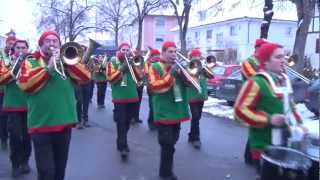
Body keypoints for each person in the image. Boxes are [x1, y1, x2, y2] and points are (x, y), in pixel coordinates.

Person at [16, 31, 91, 180]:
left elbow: (85, 77)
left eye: (55, 41)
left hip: (64, 124)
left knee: (59, 170)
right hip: (40, 125)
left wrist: (68, 63)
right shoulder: (31, 61)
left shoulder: (68, 62)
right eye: (48, 41)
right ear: (41, 44)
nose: (51, 44)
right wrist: (49, 68)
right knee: (46, 172)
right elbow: (26, 84)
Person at [234, 42, 305, 172]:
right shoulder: (256, 82)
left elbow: (290, 106)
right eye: (278, 57)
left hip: (285, 143)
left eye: (284, 56)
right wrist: (269, 120)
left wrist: (299, 124)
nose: (283, 60)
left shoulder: (283, 79)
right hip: (264, 147)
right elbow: (240, 112)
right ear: (265, 62)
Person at [148, 41, 190, 180]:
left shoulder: (177, 66)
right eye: (170, 51)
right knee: (167, 144)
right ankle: (165, 173)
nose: (173, 54)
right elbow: (155, 86)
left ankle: (166, 171)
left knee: (173, 142)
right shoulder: (154, 66)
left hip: (177, 111)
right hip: (164, 111)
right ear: (163, 52)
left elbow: (189, 83)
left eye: (175, 51)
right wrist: (170, 73)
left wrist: (185, 72)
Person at [0, 39, 32, 177]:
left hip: (29, 105)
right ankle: (15, 164)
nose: (20, 50)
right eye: (18, 47)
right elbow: (2, 79)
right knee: (14, 137)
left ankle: (25, 161)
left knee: (27, 137)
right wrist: (16, 66)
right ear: (13, 49)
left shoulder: (33, 63)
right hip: (12, 105)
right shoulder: (6, 62)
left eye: (23, 48)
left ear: (27, 49)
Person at [106, 42, 142, 161]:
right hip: (119, 97)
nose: (125, 52)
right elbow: (110, 79)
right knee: (121, 122)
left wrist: (133, 67)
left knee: (127, 122)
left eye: (127, 50)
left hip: (132, 96)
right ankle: (123, 146)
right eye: (123, 50)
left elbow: (139, 78)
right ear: (119, 50)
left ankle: (121, 140)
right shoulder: (113, 62)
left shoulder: (132, 62)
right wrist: (122, 68)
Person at [240, 38, 268, 164]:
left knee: (261, 128)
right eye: (263, 47)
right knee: (256, 128)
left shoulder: (265, 61)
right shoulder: (248, 62)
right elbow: (255, 78)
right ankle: (251, 158)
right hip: (251, 99)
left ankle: (254, 157)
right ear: (257, 48)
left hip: (263, 98)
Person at [186, 49, 214, 149]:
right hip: (192, 96)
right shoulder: (188, 66)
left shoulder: (202, 68)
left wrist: (208, 67)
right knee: (196, 116)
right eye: (195, 56)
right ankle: (196, 139)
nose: (197, 58)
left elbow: (211, 76)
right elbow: (187, 81)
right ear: (192, 57)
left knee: (197, 117)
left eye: (199, 56)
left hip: (201, 96)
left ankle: (191, 135)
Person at [0, 36, 15, 150]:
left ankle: (11, 136)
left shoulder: (16, 54)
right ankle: (4, 138)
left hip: (12, 89)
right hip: (1, 90)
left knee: (12, 116)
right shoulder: (1, 54)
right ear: (6, 43)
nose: (12, 45)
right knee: (3, 116)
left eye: (13, 43)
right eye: (10, 43)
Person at [75, 45, 92, 129]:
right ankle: (78, 121)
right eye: (81, 50)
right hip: (78, 83)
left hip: (87, 82)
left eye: (85, 50)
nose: (83, 52)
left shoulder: (90, 59)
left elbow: (92, 69)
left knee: (86, 102)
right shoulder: (75, 59)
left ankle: (85, 119)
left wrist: (87, 66)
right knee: (79, 102)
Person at [144, 48, 161, 130]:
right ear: (151, 56)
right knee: (152, 105)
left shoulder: (161, 63)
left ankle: (158, 122)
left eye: (158, 55)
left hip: (160, 87)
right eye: (155, 55)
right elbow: (146, 73)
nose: (157, 57)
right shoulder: (147, 63)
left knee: (159, 105)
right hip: (151, 88)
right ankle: (151, 122)